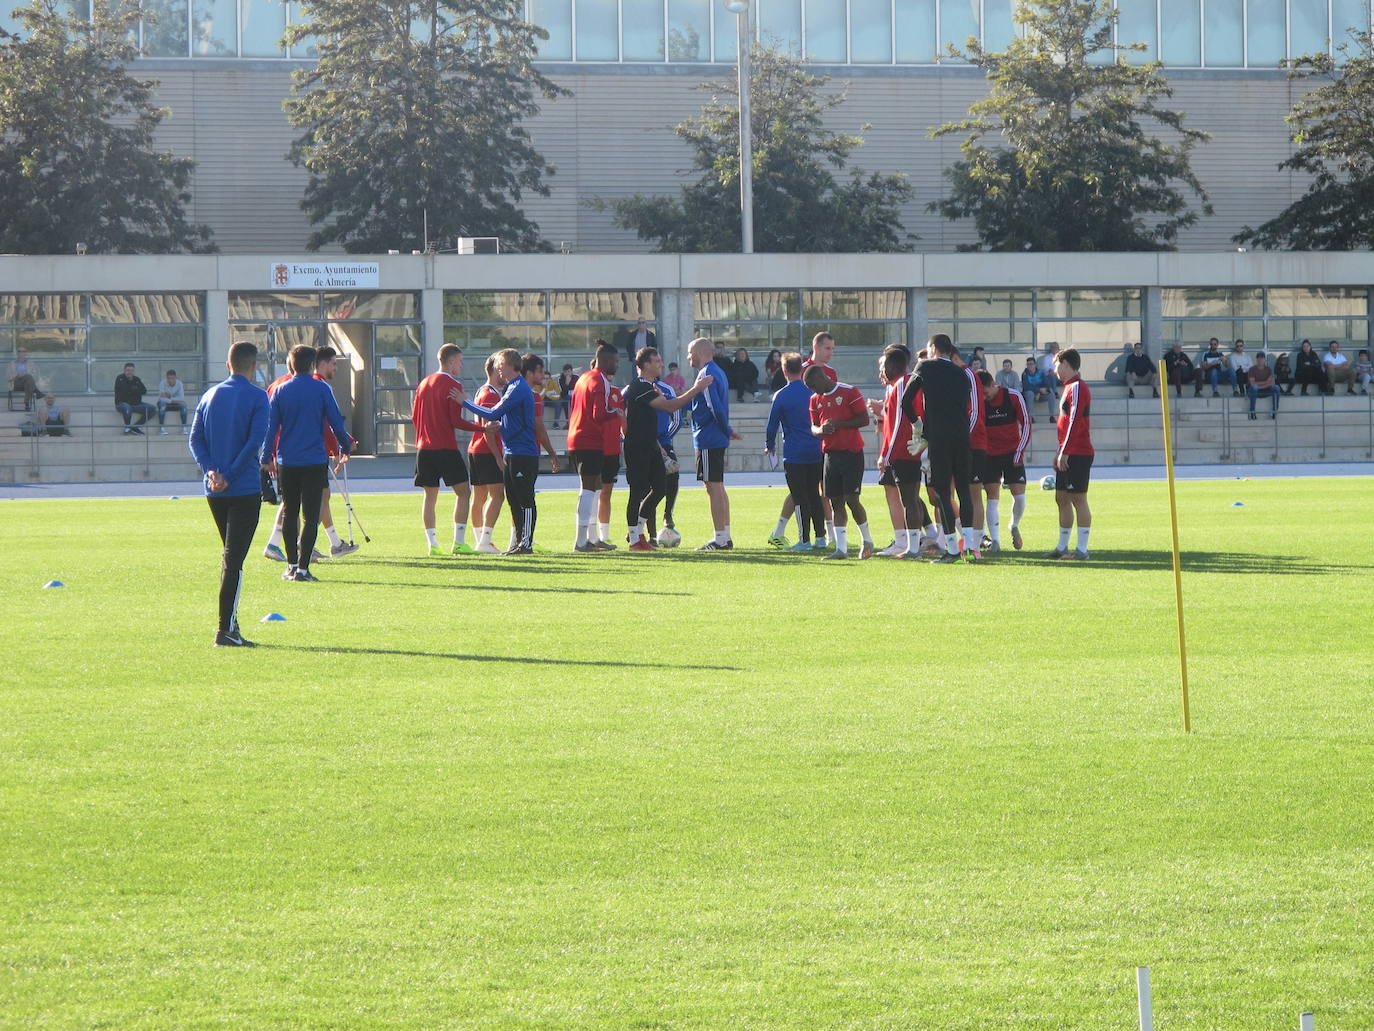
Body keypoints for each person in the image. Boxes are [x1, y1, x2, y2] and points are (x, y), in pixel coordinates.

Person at [189, 341, 269, 647]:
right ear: (254, 365)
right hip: (244, 487)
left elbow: (195, 439)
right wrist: (231, 475)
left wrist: (211, 471)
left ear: (228, 364)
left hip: (214, 491)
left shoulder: (209, 395)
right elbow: (254, 443)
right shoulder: (258, 397)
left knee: (229, 557)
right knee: (233, 560)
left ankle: (231, 624)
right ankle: (225, 629)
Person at [260, 344, 354, 582]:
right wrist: (344, 446)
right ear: (312, 364)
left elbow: (272, 428)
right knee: (310, 516)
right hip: (314, 459)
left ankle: (291, 566)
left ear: (290, 364)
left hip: (287, 461)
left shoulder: (281, 390)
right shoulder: (321, 388)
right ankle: (303, 568)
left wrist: (265, 456)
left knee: (290, 512)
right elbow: (335, 422)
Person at [621, 346, 709, 550]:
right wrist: (697, 388)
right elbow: (670, 406)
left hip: (652, 445)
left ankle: (637, 531)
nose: (661, 363)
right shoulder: (639, 386)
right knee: (637, 492)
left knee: (661, 488)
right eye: (657, 360)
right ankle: (635, 539)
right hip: (637, 447)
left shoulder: (650, 387)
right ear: (645, 365)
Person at [902, 334, 977, 563]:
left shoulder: (925, 366)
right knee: (964, 491)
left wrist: (919, 427)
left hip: (939, 439)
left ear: (933, 348)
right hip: (962, 437)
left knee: (942, 493)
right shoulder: (962, 373)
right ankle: (971, 549)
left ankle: (953, 550)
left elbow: (906, 400)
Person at [462, 349, 544, 554]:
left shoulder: (518, 388)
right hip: (511, 451)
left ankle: (526, 543)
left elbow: (493, 412)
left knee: (525, 499)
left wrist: (464, 402)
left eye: (501, 364)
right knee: (513, 498)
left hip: (523, 453)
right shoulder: (511, 387)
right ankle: (518, 542)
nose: (498, 367)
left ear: (510, 365)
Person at [410, 343, 486, 557]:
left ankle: (433, 545)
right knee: (463, 493)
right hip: (445, 447)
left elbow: (414, 418)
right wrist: (482, 429)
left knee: (429, 496)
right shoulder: (454, 385)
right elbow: (456, 421)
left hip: (424, 448)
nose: (461, 366)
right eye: (460, 362)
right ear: (451, 361)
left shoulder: (423, 383)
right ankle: (459, 542)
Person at [805, 365, 873, 560]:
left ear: (821, 377)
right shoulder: (815, 399)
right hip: (830, 455)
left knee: (852, 499)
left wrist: (839, 425)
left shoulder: (849, 392)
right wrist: (821, 431)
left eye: (813, 385)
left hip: (851, 453)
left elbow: (864, 419)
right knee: (835, 502)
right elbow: (814, 426)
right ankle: (841, 549)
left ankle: (866, 540)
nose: (812, 390)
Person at [765, 352, 826, 552]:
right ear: (802, 369)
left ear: (784, 371)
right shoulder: (812, 393)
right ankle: (821, 538)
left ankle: (804, 540)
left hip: (794, 453)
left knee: (799, 497)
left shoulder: (781, 395)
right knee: (815, 495)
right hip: (815, 450)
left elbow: (772, 425)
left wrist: (770, 445)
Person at [874, 346, 931, 559]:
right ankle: (925, 541)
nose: (880, 371)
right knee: (912, 499)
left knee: (910, 500)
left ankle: (913, 548)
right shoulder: (903, 383)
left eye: (882, 366)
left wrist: (886, 455)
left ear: (892, 365)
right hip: (908, 448)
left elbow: (899, 424)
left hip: (905, 449)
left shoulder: (901, 384)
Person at [567, 341, 623, 551]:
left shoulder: (583, 378)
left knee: (595, 488)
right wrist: (615, 413)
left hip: (581, 437)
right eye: (616, 361)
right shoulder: (599, 381)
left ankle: (591, 537)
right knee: (589, 488)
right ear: (606, 360)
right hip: (588, 440)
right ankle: (581, 541)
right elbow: (598, 414)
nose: (617, 365)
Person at [688, 337, 740, 550]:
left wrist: (726, 429)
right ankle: (724, 536)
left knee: (713, 486)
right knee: (717, 485)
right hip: (714, 437)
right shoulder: (717, 371)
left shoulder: (706, 374)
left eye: (690, 352)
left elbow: (714, 407)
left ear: (700, 353)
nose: (688, 357)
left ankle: (720, 538)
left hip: (708, 437)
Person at [978, 369, 1031, 553]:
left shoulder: (1013, 396)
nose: (983, 397)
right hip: (989, 456)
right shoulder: (980, 403)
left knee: (1020, 498)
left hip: (1012, 455)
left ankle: (1013, 525)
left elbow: (1026, 425)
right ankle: (996, 541)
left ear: (993, 385)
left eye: (985, 393)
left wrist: (1019, 452)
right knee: (992, 499)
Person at [1049, 347, 1093, 561]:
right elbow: (1066, 424)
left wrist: (1064, 451)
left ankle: (1082, 550)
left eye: (1056, 365)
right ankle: (1062, 546)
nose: (1055, 370)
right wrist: (1059, 451)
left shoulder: (1076, 387)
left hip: (1078, 452)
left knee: (1078, 498)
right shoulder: (1068, 388)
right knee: (1061, 497)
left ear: (1065, 363)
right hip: (1068, 451)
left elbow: (1075, 421)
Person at [468, 353, 508, 554]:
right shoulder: (490, 394)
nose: (504, 372)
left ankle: (480, 541)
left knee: (480, 497)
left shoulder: (482, 391)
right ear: (494, 370)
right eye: (501, 368)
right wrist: (498, 458)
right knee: (497, 495)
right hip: (485, 450)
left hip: (476, 448)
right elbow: (488, 430)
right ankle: (484, 540)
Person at [647, 364, 686, 540]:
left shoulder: (667, 389)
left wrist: (665, 438)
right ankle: (647, 531)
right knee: (645, 487)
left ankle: (668, 513)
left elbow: (677, 419)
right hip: (643, 444)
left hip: (663, 442)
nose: (659, 367)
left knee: (673, 474)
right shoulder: (634, 389)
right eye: (655, 362)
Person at [114, 363, 155, 434]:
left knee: (153, 409)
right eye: (128, 370)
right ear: (124, 370)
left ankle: (136, 427)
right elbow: (124, 392)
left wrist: (134, 390)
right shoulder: (120, 378)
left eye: (132, 370)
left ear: (134, 371)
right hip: (122, 404)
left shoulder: (136, 379)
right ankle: (127, 428)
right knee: (127, 407)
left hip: (136, 404)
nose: (130, 372)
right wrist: (135, 389)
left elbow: (144, 391)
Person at [1246, 352, 1280, 419]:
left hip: (1265, 391)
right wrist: (1266, 382)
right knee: (1254, 387)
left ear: (1265, 359)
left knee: (1276, 388)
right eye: (1259, 358)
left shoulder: (1268, 369)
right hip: (1253, 392)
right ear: (1256, 359)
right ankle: (1252, 412)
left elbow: (1272, 383)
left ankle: (1274, 411)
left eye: (1262, 358)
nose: (1260, 360)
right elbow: (1252, 383)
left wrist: (1260, 385)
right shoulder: (1252, 369)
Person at [157, 369, 189, 434]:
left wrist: (168, 397)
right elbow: (161, 398)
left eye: (172, 378)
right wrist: (173, 400)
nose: (170, 380)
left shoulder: (179, 384)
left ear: (175, 378)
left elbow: (181, 398)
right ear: (166, 378)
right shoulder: (162, 383)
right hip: (165, 404)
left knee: (184, 406)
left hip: (174, 404)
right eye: (169, 378)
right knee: (162, 406)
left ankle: (184, 428)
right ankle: (161, 428)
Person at [553, 363, 577, 428]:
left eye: (569, 371)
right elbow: (563, 393)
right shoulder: (560, 379)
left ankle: (572, 422)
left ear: (572, 371)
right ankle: (567, 422)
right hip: (565, 397)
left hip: (575, 396)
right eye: (565, 372)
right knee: (566, 400)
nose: (567, 373)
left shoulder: (576, 377)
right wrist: (567, 383)